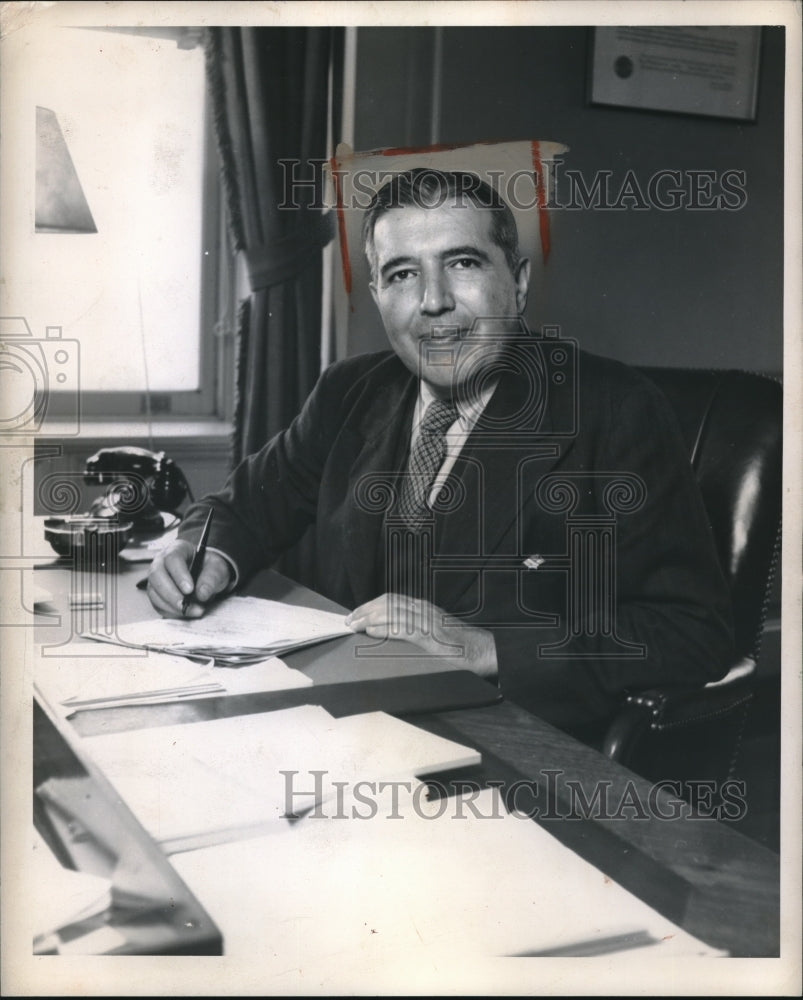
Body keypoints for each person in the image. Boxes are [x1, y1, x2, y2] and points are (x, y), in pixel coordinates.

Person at [147, 168, 733, 739]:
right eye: (402, 274)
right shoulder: (348, 391)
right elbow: (244, 508)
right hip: (342, 725)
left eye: (462, 262)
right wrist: (205, 553)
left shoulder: (616, 412)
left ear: (519, 281)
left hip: (510, 747)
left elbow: (690, 631)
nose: (433, 301)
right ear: (378, 296)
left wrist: (484, 647)